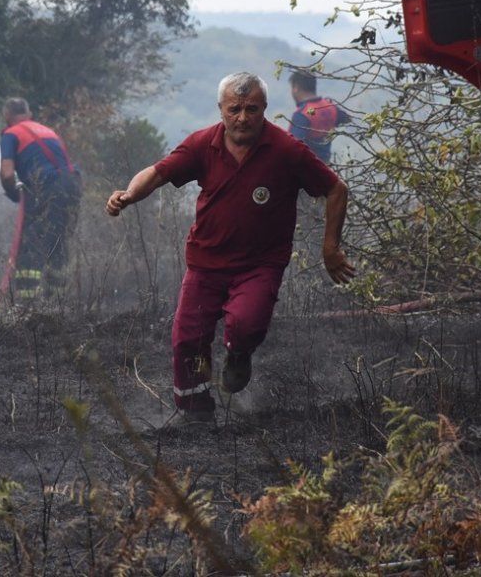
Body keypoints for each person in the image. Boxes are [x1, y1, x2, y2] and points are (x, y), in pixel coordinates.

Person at [106, 72, 356, 430]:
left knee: (244, 323)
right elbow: (157, 173)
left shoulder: (286, 150)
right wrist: (129, 195)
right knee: (187, 337)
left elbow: (336, 189)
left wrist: (330, 248)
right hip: (206, 261)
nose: (243, 117)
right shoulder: (202, 144)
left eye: (251, 109)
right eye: (234, 109)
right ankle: (195, 411)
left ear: (264, 109)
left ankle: (239, 354)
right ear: (221, 109)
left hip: (260, 264)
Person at [0, 98, 82, 305]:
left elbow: (7, 174)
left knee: (30, 243)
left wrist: (13, 194)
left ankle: (25, 304)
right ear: (29, 114)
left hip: (46, 186)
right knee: (57, 241)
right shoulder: (47, 130)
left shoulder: (10, 134)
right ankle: (56, 302)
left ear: (7, 116)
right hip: (72, 184)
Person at [288, 70, 350, 165]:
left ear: (296, 88)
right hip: (326, 167)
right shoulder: (330, 107)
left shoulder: (302, 114)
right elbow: (347, 119)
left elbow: (291, 149)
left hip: (307, 170)